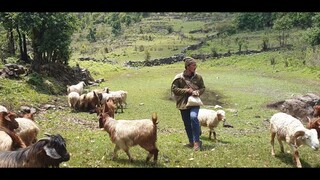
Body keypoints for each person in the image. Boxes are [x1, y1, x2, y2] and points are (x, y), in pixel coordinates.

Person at [171, 57, 206, 151]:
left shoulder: (198, 77)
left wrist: (198, 92)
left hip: (194, 102)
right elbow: (174, 90)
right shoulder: (179, 78)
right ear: (187, 66)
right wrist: (186, 90)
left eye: (195, 65)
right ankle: (191, 141)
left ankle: (197, 142)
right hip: (182, 103)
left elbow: (202, 87)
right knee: (187, 123)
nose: (195, 66)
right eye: (193, 65)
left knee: (194, 117)